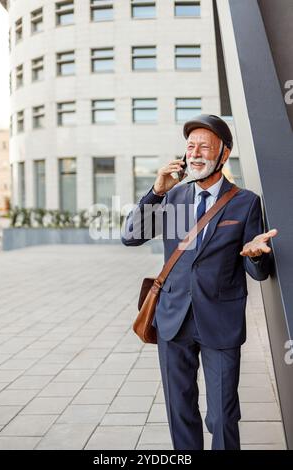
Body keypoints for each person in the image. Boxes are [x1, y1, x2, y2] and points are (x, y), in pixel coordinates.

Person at [121, 114, 277, 450]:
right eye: (190, 146)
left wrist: (254, 255)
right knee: (180, 411)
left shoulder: (245, 202)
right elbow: (130, 237)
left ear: (224, 154)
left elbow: (258, 272)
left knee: (222, 415)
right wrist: (155, 191)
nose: (195, 153)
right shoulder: (174, 197)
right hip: (173, 320)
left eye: (204, 146)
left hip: (220, 321)